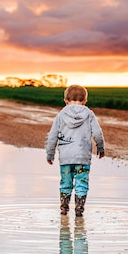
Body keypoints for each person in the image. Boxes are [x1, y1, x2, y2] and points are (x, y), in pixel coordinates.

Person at [45, 85, 105, 217]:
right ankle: (79, 209)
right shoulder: (89, 114)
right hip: (83, 157)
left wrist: (50, 153)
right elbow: (97, 133)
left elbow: (52, 135)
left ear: (66, 101)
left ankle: (64, 208)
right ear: (84, 101)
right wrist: (100, 147)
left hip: (66, 158)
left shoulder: (61, 115)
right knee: (82, 182)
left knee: (65, 182)